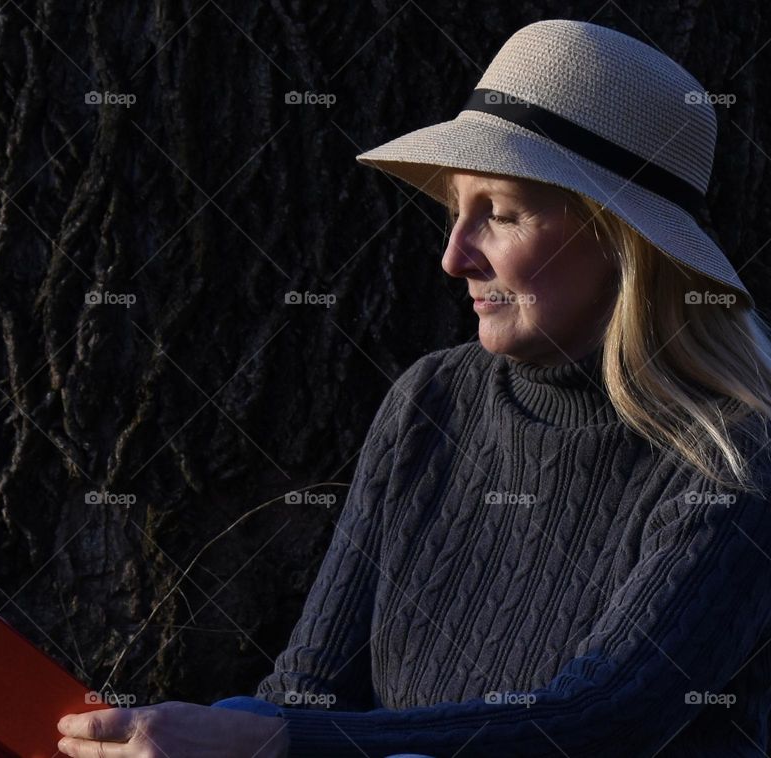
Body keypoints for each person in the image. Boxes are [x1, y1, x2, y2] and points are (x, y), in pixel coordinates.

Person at [54, 18, 771, 758]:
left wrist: (263, 740)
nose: (453, 257)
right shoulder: (433, 399)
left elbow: (600, 722)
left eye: (499, 214)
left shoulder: (733, 456)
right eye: (455, 211)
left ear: (623, 242)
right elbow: (310, 693)